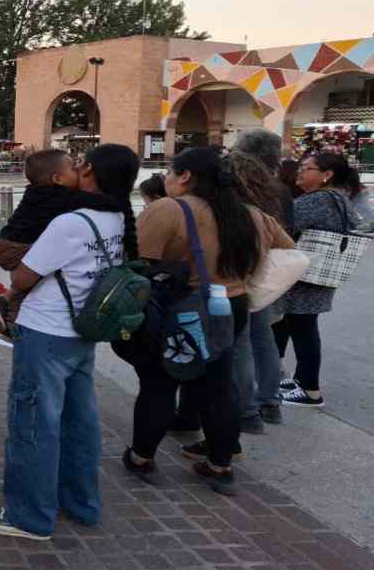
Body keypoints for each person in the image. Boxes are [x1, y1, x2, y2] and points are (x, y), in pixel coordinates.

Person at [0, 144, 140, 540]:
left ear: (94, 176)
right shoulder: (118, 218)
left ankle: (28, 516)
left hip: (46, 333)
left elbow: (22, 277)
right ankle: (80, 502)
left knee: (33, 424)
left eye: (83, 166)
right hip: (82, 335)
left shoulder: (71, 222)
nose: (76, 170)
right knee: (79, 423)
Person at [123, 148, 291, 496]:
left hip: (181, 309)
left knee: (160, 382)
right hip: (232, 306)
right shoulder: (252, 215)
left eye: (171, 171)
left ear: (185, 176)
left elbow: (135, 261)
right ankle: (220, 466)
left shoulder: (170, 209)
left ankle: (141, 457)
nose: (167, 177)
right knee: (218, 387)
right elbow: (289, 250)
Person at [0, 149, 127, 338]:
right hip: (15, 248)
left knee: (33, 280)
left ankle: (6, 307)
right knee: (36, 277)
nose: (77, 170)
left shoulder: (41, 193)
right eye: (72, 168)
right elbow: (97, 201)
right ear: (58, 179)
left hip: (8, 243)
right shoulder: (59, 196)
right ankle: (9, 313)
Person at [274, 153, 362, 409]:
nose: (300, 172)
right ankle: (300, 379)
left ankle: (310, 389)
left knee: (303, 329)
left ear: (326, 175)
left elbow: (281, 225)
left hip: (305, 275)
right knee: (300, 325)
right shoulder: (340, 198)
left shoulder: (319, 200)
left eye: (307, 168)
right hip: (321, 273)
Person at [231, 130, 295, 427]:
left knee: (241, 340)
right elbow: (288, 235)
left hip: (236, 268)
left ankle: (247, 410)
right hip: (266, 268)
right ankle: (270, 401)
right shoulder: (278, 189)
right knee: (262, 334)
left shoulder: (235, 182)